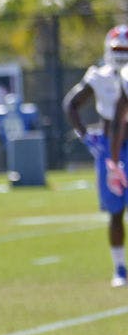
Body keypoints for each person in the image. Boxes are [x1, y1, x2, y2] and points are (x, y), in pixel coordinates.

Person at [63, 24, 128, 288]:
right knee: (115, 210)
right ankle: (120, 267)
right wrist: (85, 136)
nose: (122, 54)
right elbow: (72, 103)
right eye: (118, 49)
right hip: (110, 146)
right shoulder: (98, 76)